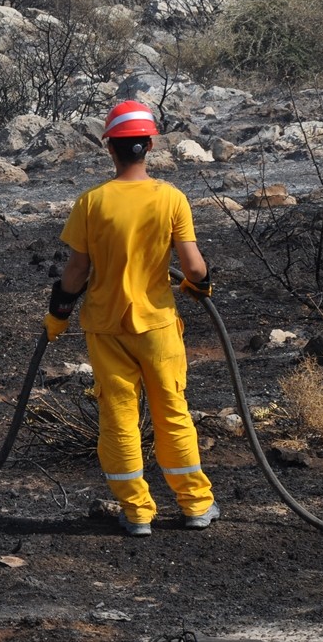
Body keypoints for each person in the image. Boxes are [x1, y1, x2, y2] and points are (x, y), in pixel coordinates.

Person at [45, 99, 219, 537]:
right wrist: (199, 286)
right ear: (150, 146)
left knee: (119, 418)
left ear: (110, 148)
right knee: (172, 412)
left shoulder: (91, 202)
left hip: (106, 327)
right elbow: (194, 267)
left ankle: (138, 513)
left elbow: (76, 271)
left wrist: (58, 314)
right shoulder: (171, 198)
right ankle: (196, 506)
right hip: (157, 326)